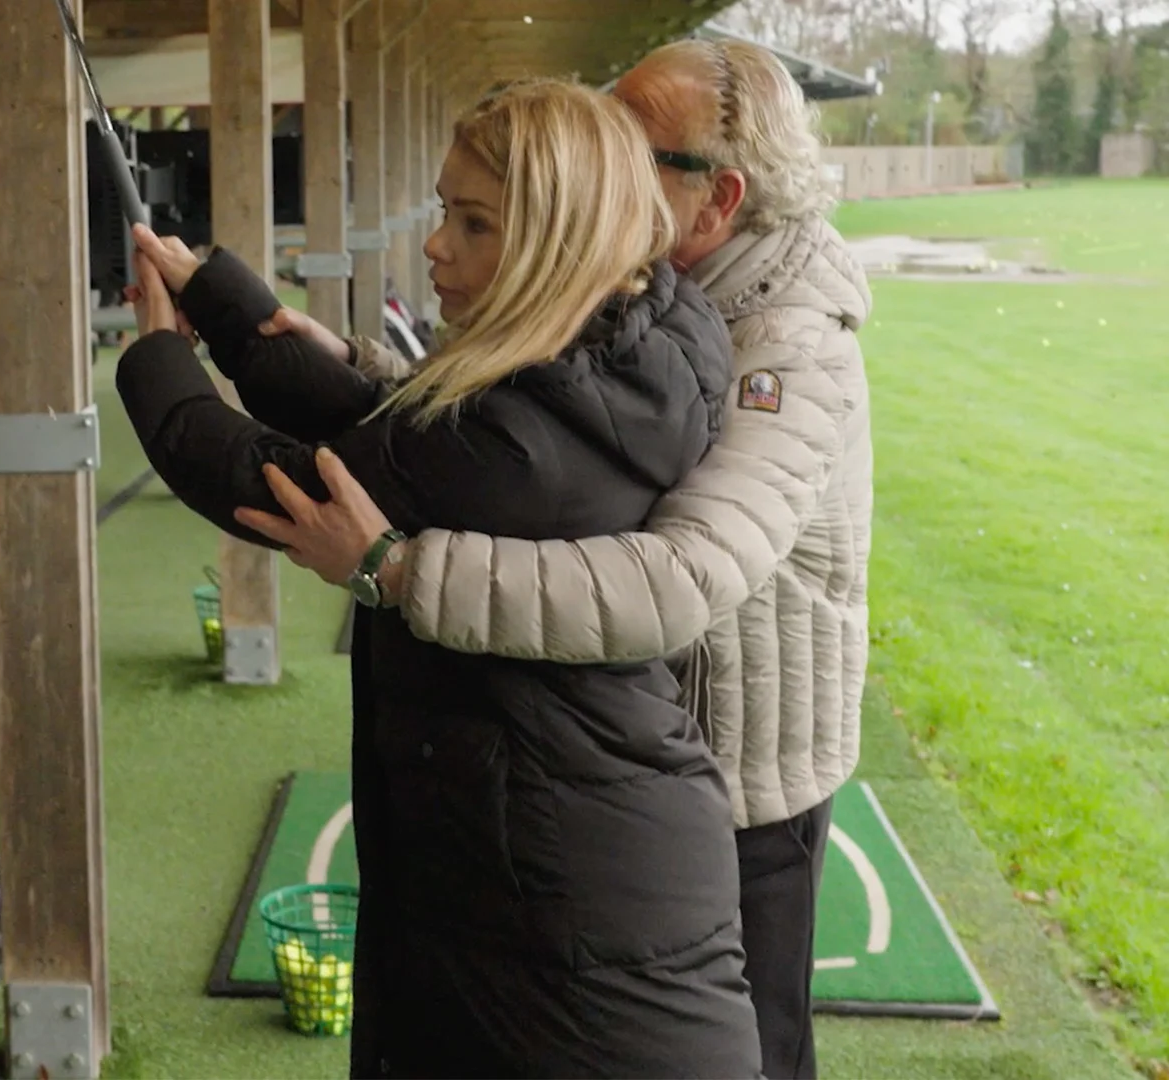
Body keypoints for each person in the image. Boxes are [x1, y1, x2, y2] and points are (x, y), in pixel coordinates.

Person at [242, 39, 872, 1080]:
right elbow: (532, 430)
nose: (591, 163)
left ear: (716, 201)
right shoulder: (660, 293)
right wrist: (359, 373)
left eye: (627, 148)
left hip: (739, 785)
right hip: (624, 767)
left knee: (749, 1048)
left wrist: (395, 569)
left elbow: (676, 584)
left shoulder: (792, 352)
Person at [115, 79, 761, 1077]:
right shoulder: (641, 341)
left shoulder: (510, 449)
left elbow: (271, 476)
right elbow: (383, 414)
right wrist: (216, 297)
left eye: (474, 223)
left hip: (556, 900)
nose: (435, 247)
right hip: (558, 853)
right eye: (442, 213)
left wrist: (158, 348)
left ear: (558, 239)